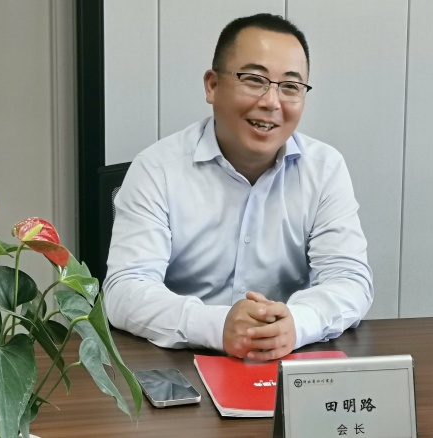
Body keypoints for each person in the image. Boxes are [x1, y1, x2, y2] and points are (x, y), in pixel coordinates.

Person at [104, 13, 373, 362]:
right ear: (212, 85)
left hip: (287, 363)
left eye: (290, 87)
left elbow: (350, 279)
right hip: (180, 365)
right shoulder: (157, 169)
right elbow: (125, 290)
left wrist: (297, 322)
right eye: (254, 80)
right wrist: (217, 326)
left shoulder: (324, 169)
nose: (272, 102)